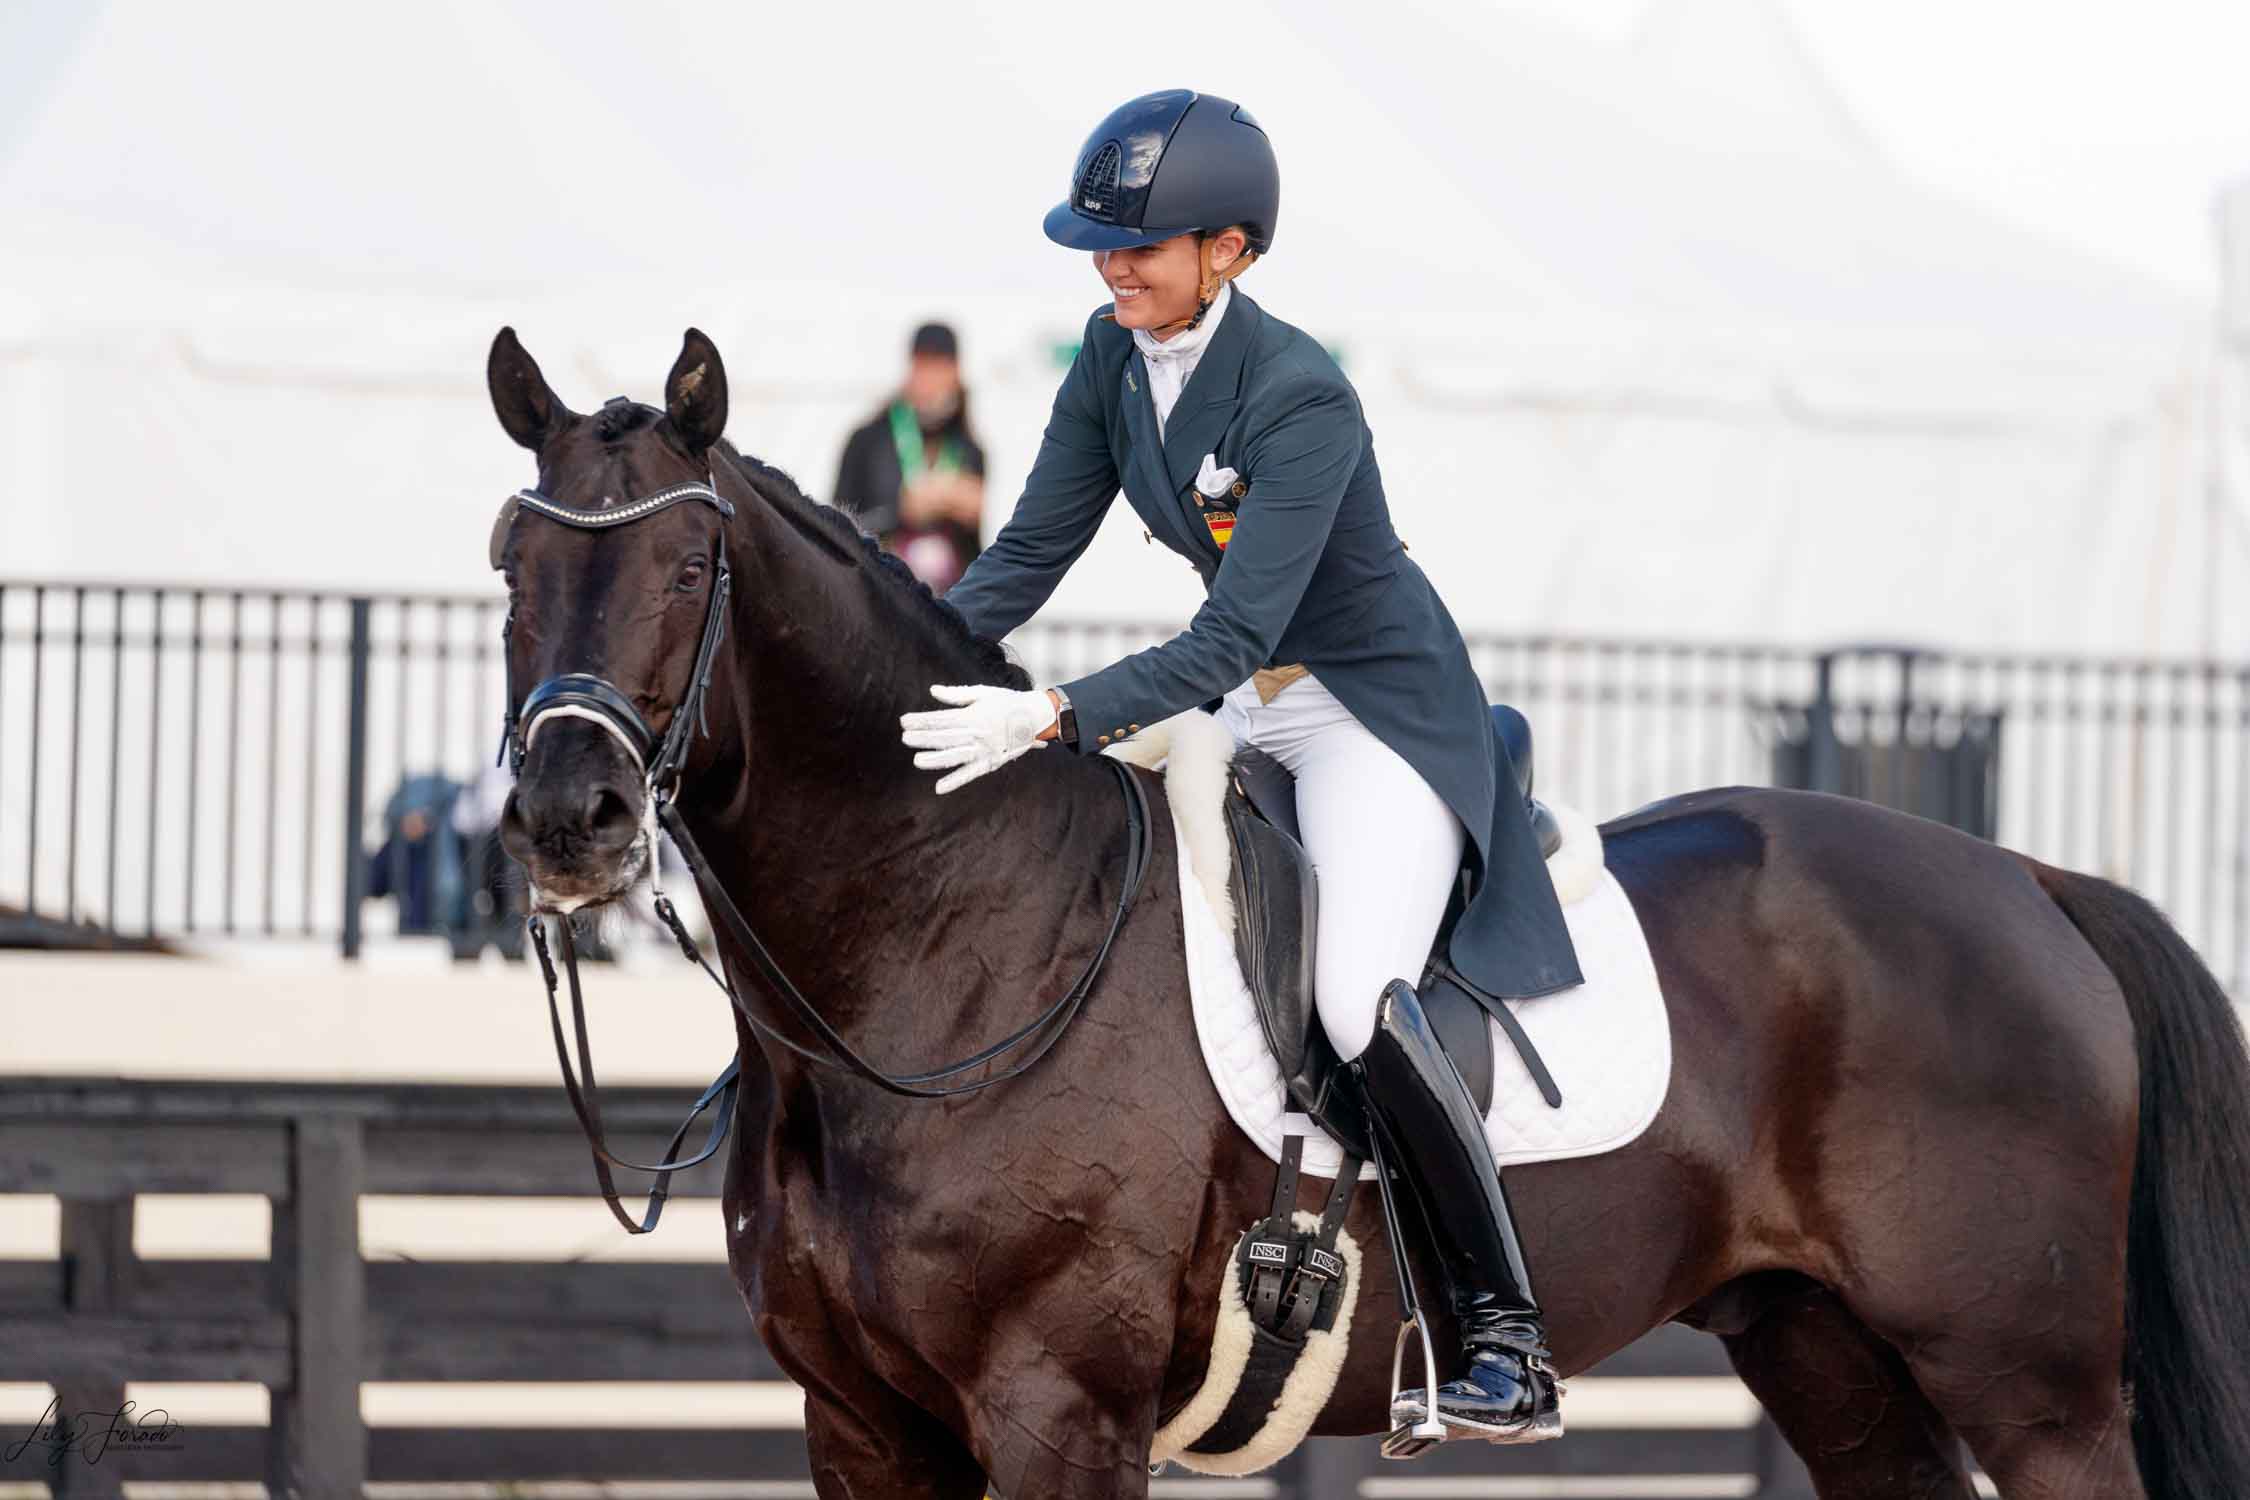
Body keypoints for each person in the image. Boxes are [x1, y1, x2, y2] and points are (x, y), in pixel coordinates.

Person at [896, 90, 1584, 1444]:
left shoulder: (1300, 393)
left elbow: (1233, 634)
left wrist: (1048, 718)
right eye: (1101, 240)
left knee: (1347, 995)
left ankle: (1503, 1329)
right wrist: (894, 658)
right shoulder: (1107, 357)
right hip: (1253, 716)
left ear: (1232, 250)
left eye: (1142, 243)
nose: (1111, 263)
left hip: (1370, 715)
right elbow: (1025, 556)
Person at [832, 322, 988, 593]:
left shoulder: (969, 449)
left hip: (946, 606)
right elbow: (837, 527)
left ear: (956, 372)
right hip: (879, 597)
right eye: (924, 365)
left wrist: (969, 513)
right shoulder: (867, 441)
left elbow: (974, 553)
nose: (931, 378)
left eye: (940, 366)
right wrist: (901, 511)